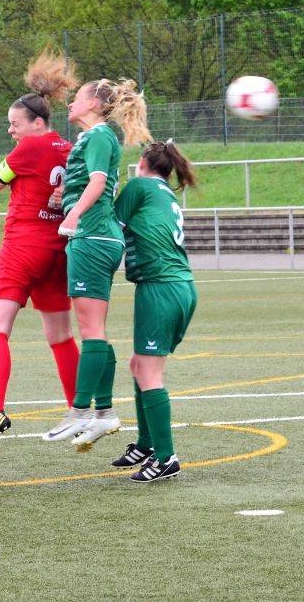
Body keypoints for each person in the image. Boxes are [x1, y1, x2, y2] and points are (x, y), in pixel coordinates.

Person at [0, 50, 81, 450]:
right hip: (58, 249)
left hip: (22, 247)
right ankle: (79, 410)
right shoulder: (70, 148)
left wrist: (11, 168)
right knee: (61, 336)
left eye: (15, 124)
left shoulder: (30, 148)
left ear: (37, 122)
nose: (11, 131)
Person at [42, 78, 151, 449]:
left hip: (91, 236)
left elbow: (99, 182)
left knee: (91, 330)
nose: (70, 104)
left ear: (92, 103)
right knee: (96, 330)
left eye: (76, 98)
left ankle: (79, 411)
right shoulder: (94, 138)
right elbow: (89, 182)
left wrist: (74, 215)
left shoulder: (99, 135)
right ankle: (104, 413)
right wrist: (64, 198)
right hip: (96, 236)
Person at [110, 140, 198, 481]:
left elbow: (109, 225)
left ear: (143, 164)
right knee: (139, 365)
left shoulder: (140, 185)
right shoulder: (163, 193)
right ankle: (147, 443)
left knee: (148, 372)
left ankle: (166, 457)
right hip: (173, 285)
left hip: (161, 286)